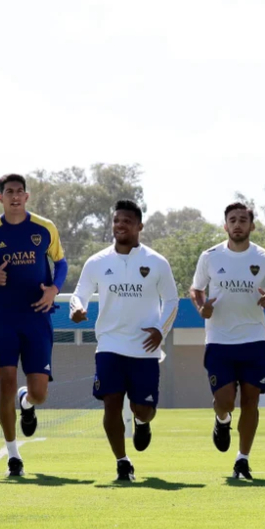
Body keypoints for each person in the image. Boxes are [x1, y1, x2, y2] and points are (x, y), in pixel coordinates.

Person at [70, 200, 179, 482]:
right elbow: (79, 293)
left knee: (143, 408)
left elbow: (171, 300)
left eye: (127, 221)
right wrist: (77, 308)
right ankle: (122, 461)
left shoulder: (156, 262)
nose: (120, 225)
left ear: (139, 226)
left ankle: (143, 423)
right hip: (109, 345)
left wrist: (160, 330)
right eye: (117, 220)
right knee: (111, 402)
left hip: (145, 349)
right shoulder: (97, 262)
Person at [0, 174, 67, 477]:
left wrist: (55, 289)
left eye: (20, 192)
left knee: (40, 393)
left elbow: (61, 263)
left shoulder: (44, 228)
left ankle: (28, 402)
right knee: (5, 384)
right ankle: (13, 455)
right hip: (4, 320)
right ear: (0, 198)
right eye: (9, 192)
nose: (14, 197)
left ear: (27, 196)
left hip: (37, 318)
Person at [190, 202, 265, 480]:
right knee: (226, 402)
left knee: (251, 401)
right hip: (219, 341)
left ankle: (242, 460)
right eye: (232, 220)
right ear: (225, 226)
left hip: (254, 341)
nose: (238, 224)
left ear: (251, 226)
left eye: (243, 220)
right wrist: (201, 308)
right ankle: (222, 420)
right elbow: (196, 289)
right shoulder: (210, 257)